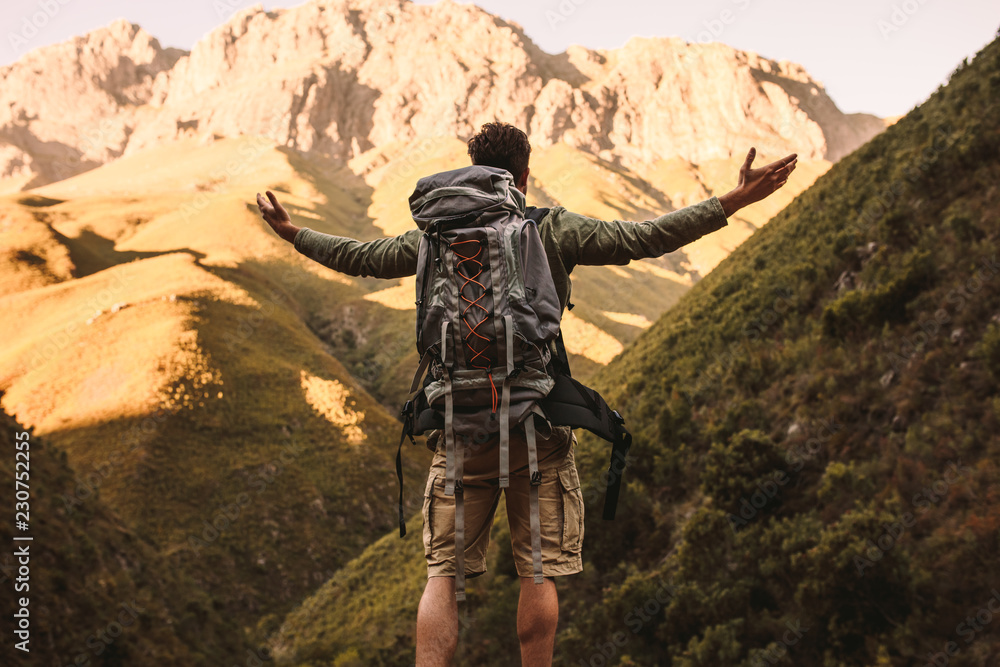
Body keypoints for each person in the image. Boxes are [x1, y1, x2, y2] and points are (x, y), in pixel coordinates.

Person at [256, 121, 797, 667]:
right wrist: (734, 199)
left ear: (474, 167)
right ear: (524, 175)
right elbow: (644, 238)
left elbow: (358, 257)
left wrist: (293, 232)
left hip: (457, 425)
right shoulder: (548, 228)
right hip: (535, 425)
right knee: (537, 569)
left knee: (442, 575)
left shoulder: (432, 238)